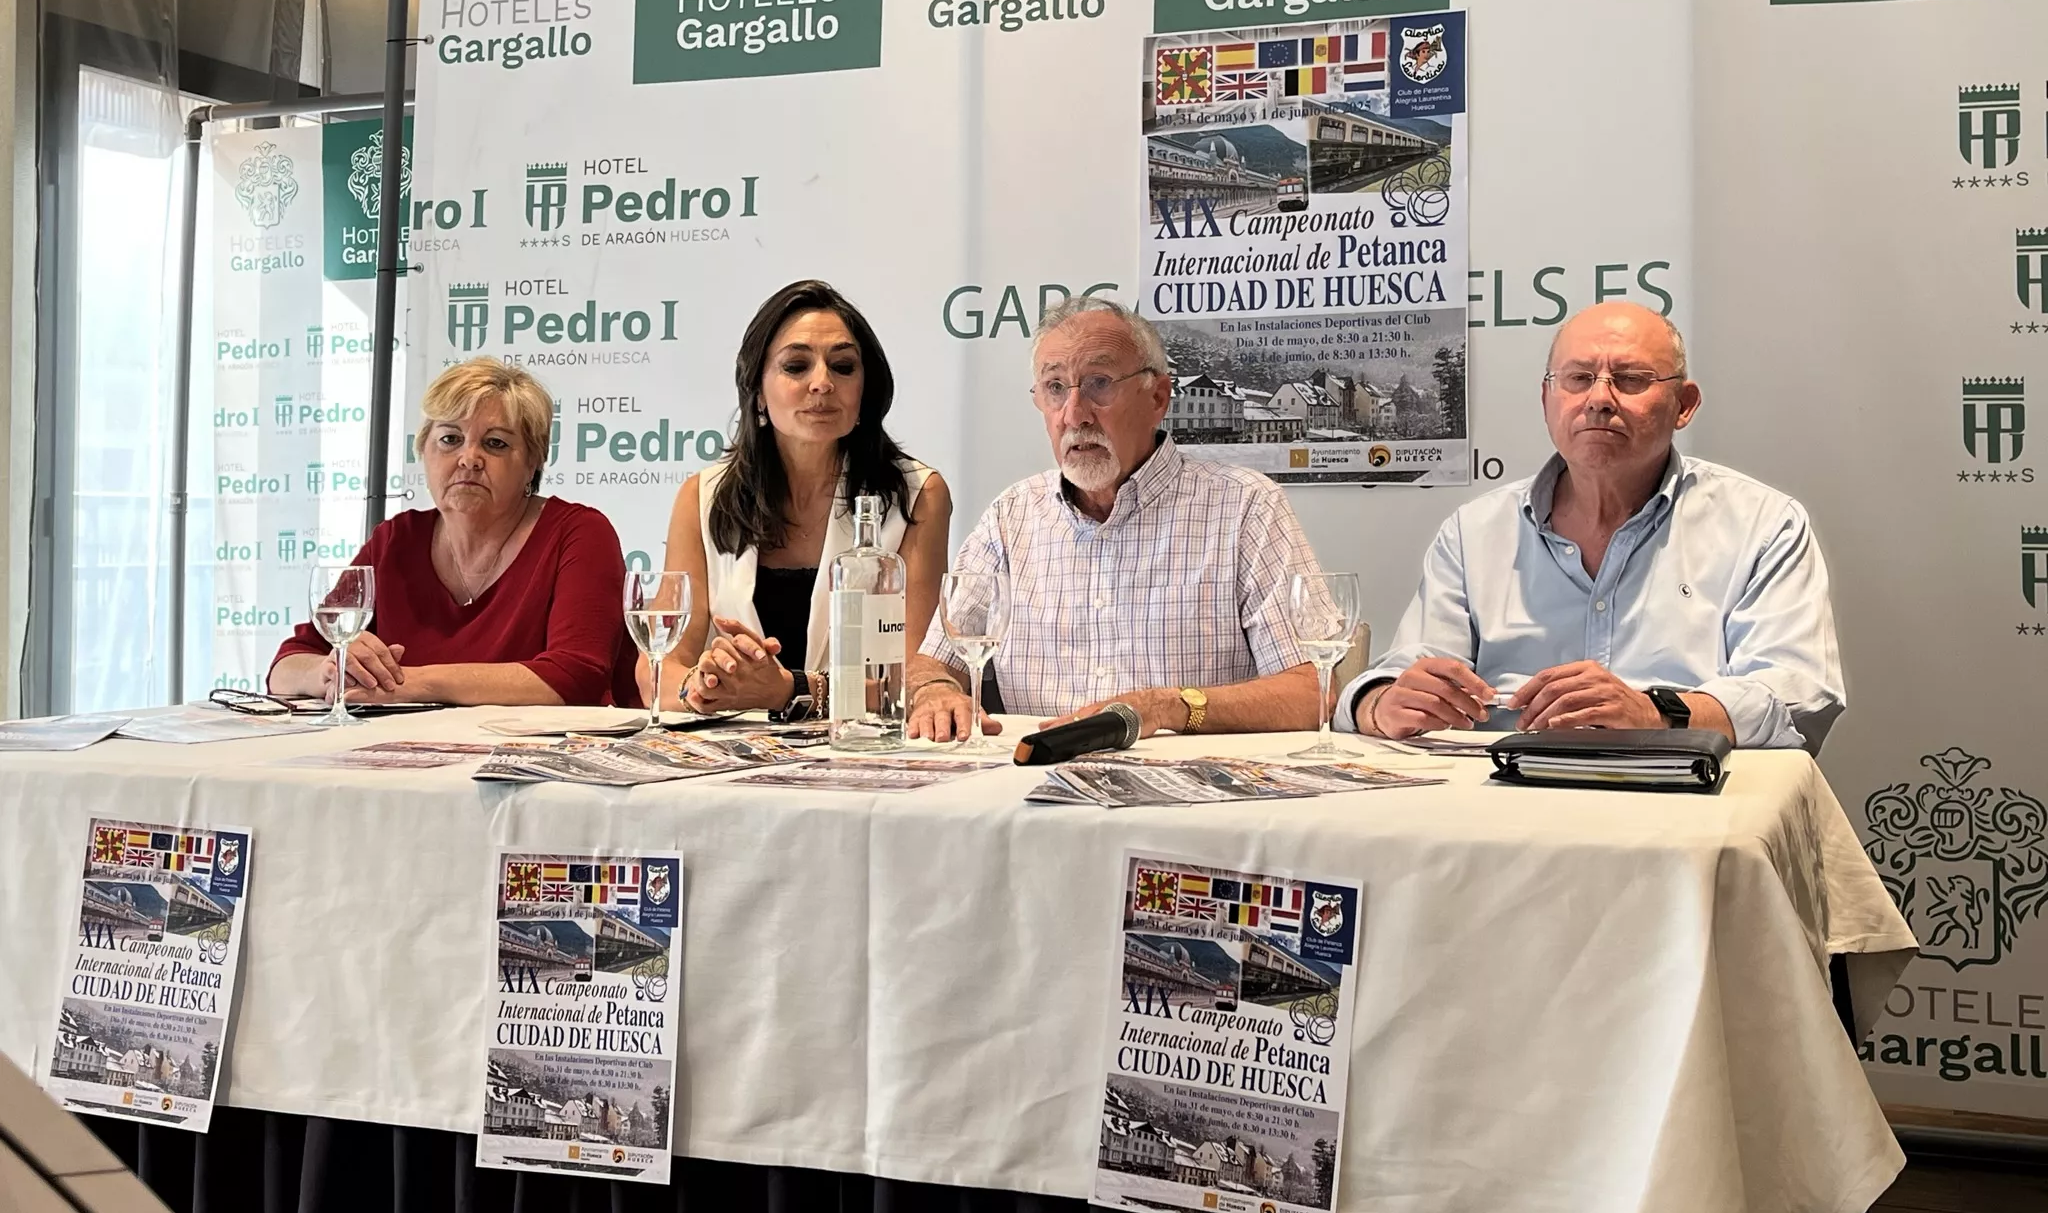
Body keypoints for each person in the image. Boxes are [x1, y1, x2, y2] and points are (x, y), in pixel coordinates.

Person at [1336, 302, 1843, 749]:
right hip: (1499, 805)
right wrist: (1379, 704)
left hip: (1683, 806)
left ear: (1683, 405)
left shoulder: (1762, 524)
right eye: (1578, 379)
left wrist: (1656, 714)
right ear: (1547, 399)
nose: (1599, 398)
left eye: (1631, 380)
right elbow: (1402, 672)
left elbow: (1799, 695)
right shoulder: (1475, 532)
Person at [907, 295, 1324, 741]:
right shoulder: (1011, 517)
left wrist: (1165, 707)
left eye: (1099, 384)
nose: (1074, 414)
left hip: (1189, 794)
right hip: (1033, 788)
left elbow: (1312, 690)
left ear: (1158, 397)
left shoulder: (1246, 508)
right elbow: (935, 660)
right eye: (1054, 388)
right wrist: (934, 691)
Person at [654, 281, 951, 716]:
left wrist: (790, 690)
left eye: (843, 367)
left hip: (860, 750)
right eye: (796, 366)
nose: (822, 383)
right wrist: (699, 688)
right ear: (757, 390)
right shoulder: (703, 496)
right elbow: (660, 664)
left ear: (865, 391)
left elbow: (913, 677)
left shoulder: (917, 494)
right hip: (729, 752)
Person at [269, 358, 638, 706]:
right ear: (423, 450)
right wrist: (333, 670)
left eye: (496, 443)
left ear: (532, 462)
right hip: (412, 760)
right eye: (450, 439)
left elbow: (576, 676)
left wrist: (413, 684)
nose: (469, 458)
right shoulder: (396, 540)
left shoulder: (579, 533)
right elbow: (286, 665)